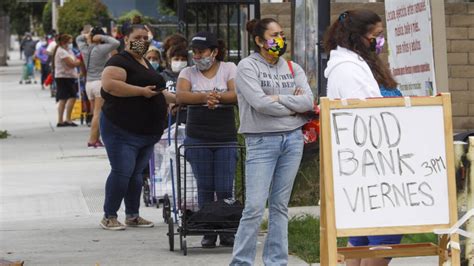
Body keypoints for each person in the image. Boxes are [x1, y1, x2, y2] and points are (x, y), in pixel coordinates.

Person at [230, 18, 313, 265]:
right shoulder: (246, 67)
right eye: (274, 35)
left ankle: (276, 261)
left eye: (282, 34)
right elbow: (260, 104)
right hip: (261, 141)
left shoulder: (292, 67)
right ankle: (241, 261)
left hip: (293, 140)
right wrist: (292, 106)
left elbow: (308, 102)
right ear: (258, 40)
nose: (280, 39)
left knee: (279, 206)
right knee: (254, 208)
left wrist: (278, 98)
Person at [323, 9, 403, 266]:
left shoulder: (353, 64)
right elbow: (366, 117)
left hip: (367, 164)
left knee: (363, 237)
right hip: (371, 163)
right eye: (376, 35)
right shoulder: (348, 69)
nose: (380, 41)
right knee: (381, 236)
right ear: (359, 36)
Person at [99, 24, 174, 230]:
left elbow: (158, 91)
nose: (142, 41)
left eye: (145, 37)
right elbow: (109, 84)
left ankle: (133, 214)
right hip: (121, 128)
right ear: (126, 39)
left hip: (146, 132)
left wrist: (178, 99)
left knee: (137, 174)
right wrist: (140, 92)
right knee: (122, 171)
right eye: (137, 37)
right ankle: (109, 215)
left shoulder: (146, 63)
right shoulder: (118, 61)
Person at [176, 31, 238, 248]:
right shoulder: (188, 72)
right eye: (195, 52)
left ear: (214, 52)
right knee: (204, 186)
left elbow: (236, 93)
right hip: (198, 136)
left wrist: (216, 97)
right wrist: (205, 97)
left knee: (224, 186)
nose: (198, 56)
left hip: (225, 136)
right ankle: (208, 230)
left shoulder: (229, 68)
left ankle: (227, 229)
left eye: (202, 51)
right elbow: (181, 95)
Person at [76, 26, 120, 148]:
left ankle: (96, 138)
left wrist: (87, 36)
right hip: (99, 83)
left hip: (88, 84)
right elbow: (116, 42)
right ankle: (92, 140)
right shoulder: (101, 49)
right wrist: (101, 37)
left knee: (95, 113)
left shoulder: (85, 49)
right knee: (98, 113)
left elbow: (78, 39)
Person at [52, 34, 81, 127]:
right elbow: (72, 63)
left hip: (68, 77)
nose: (71, 44)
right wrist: (79, 61)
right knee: (67, 97)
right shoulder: (62, 52)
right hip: (64, 77)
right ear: (63, 42)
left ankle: (65, 119)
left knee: (65, 98)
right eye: (69, 42)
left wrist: (76, 61)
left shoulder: (67, 51)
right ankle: (64, 119)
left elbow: (74, 60)